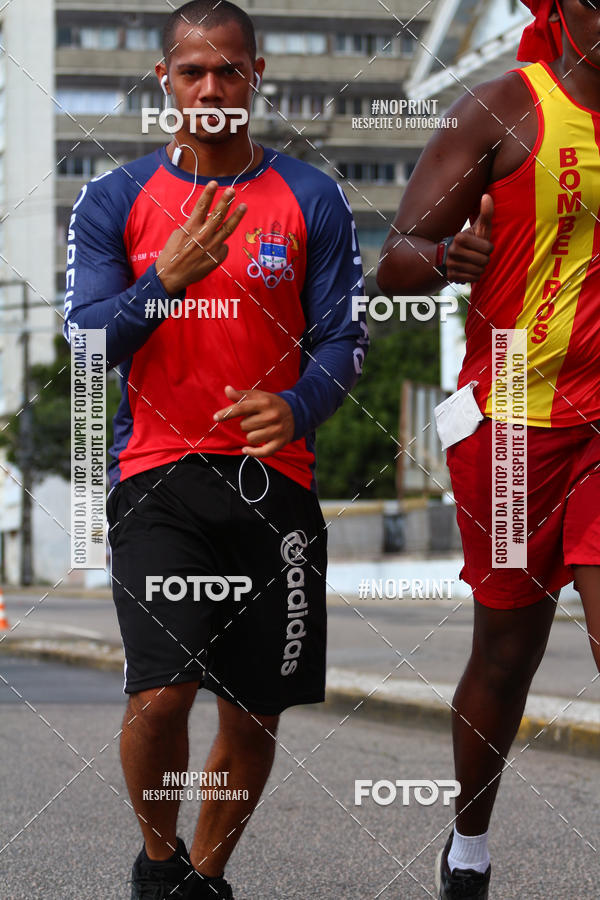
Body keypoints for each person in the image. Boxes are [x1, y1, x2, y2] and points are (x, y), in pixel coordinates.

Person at [63, 1, 368, 896]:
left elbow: (343, 340)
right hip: (156, 477)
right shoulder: (114, 198)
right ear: (164, 78)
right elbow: (86, 346)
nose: (211, 88)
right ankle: (158, 863)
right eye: (192, 71)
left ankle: (205, 878)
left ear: (256, 76)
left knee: (253, 711)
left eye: (228, 71)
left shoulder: (312, 196)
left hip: (276, 484)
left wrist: (300, 404)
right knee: (161, 693)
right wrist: (165, 281)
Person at [378, 1, 600, 897]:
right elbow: (395, 256)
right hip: (511, 431)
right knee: (507, 657)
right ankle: (468, 848)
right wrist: (445, 262)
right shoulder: (506, 108)